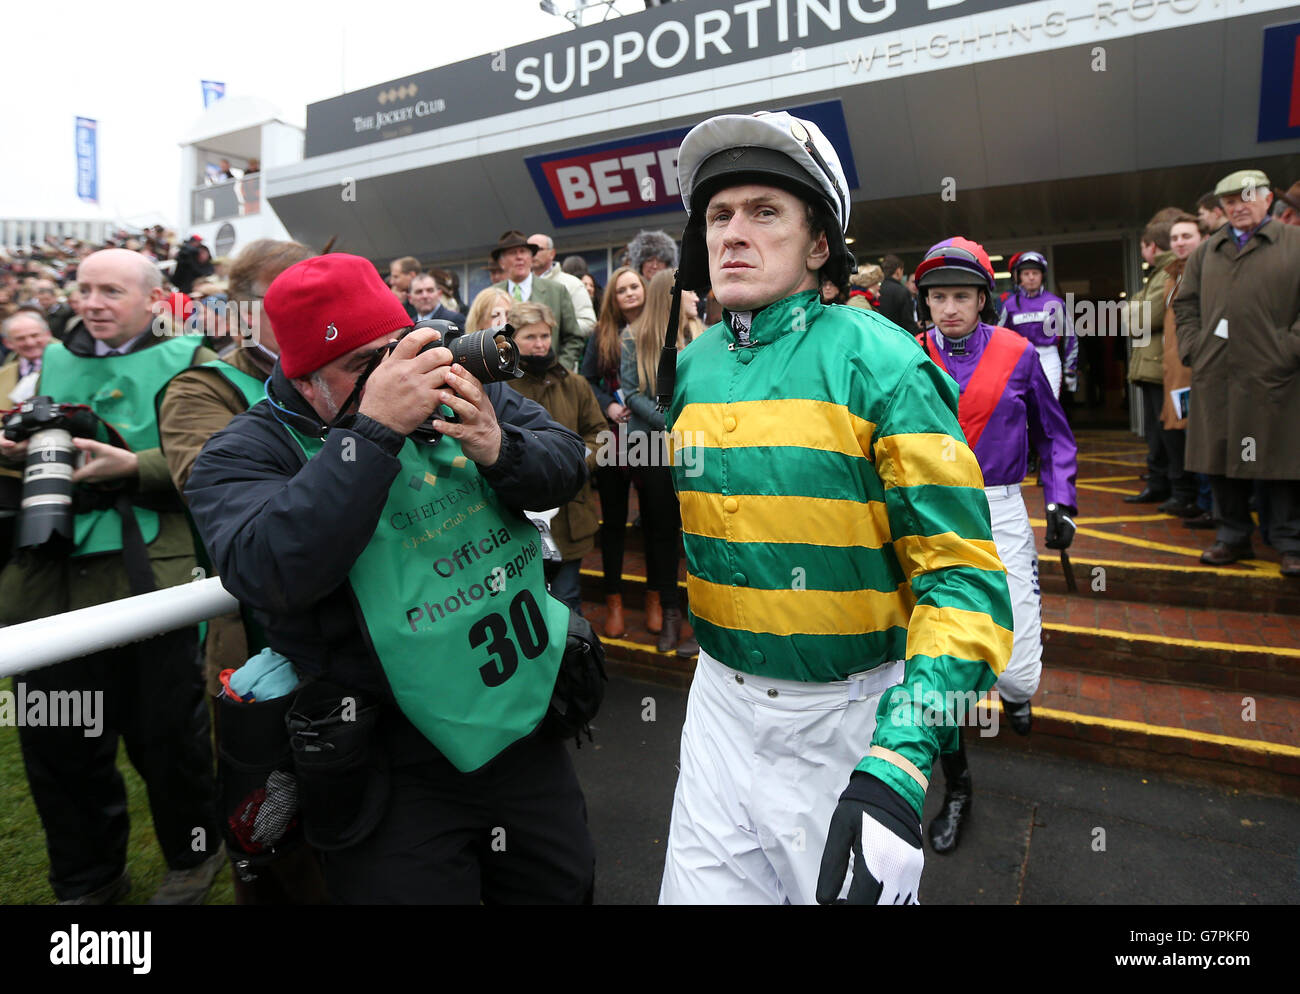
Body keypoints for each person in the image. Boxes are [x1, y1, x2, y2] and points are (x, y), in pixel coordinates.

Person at [659, 111, 1013, 905]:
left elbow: (965, 584)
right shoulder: (695, 364)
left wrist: (901, 756)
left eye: (764, 212)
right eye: (720, 215)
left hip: (846, 723)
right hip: (716, 705)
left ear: (819, 246)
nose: (734, 234)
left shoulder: (886, 363)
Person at [184, 253, 596, 902]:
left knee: (561, 889)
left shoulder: (457, 382)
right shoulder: (244, 450)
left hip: (519, 723)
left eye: (396, 351)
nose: (395, 377)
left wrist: (498, 445)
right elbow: (269, 571)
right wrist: (371, 431)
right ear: (305, 378)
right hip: (385, 759)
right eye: (361, 367)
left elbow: (567, 465)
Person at [0, 248, 223, 905]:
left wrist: (131, 465)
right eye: (83, 288)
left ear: (155, 301)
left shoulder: (193, 360)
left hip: (145, 577)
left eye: (110, 291)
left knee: (166, 737)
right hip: (47, 577)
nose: (91, 302)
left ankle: (193, 853)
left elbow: (218, 461)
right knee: (56, 738)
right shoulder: (44, 362)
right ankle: (87, 876)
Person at [156, 238, 328, 905]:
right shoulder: (202, 388)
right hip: (259, 635)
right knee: (274, 826)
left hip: (363, 628)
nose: (315, 301)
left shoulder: (358, 367)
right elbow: (222, 495)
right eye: (293, 289)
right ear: (243, 308)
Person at [911, 237, 1078, 853]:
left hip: (1003, 508)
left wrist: (1060, 501)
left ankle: (1015, 693)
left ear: (985, 298)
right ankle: (957, 788)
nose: (949, 307)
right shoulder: (907, 355)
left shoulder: (1019, 353)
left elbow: (1055, 437)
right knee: (934, 656)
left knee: (1020, 661)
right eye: (937, 296)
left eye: (961, 295)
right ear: (925, 301)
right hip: (929, 512)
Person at [1173, 169, 1300, 577]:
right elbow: (1185, 305)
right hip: (1218, 372)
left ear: (1267, 199)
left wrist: (1288, 348)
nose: (1237, 206)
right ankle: (1232, 536)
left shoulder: (1293, 243)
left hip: (1275, 374)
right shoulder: (1207, 252)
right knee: (1222, 456)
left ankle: (1289, 542)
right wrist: (1195, 347)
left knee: (1280, 459)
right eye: (1228, 201)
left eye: (1246, 197)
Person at [506, 300, 606, 611]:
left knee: (567, 598)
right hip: (514, 516)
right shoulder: (498, 387)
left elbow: (600, 435)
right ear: (512, 340)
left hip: (568, 514)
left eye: (544, 336)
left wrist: (575, 463)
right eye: (530, 337)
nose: (540, 344)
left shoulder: (574, 384)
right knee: (523, 603)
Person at [621, 269, 700, 657]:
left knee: (701, 529)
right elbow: (630, 392)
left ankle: (703, 618)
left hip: (697, 445)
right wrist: (670, 422)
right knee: (660, 532)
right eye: (689, 292)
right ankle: (671, 613)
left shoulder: (705, 333)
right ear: (670, 296)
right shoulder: (633, 336)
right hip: (650, 445)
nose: (697, 297)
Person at [581, 266, 646, 638]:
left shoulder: (657, 328)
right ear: (614, 298)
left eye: (635, 286)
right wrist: (607, 405)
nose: (630, 293)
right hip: (612, 434)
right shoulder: (601, 333)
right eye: (622, 290)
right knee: (615, 520)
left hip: (650, 433)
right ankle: (614, 601)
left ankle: (657, 602)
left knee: (654, 518)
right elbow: (588, 378)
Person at [1122, 221, 1180, 507]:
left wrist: (1131, 311)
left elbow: (1141, 319)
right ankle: (1161, 484)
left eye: (1143, 247)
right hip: (1153, 365)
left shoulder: (1168, 273)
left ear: (1152, 247)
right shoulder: (1158, 274)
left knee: (1167, 433)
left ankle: (1175, 490)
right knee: (1158, 433)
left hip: (1161, 367)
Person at [1157, 215, 1206, 520]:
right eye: (1175, 238)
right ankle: (1189, 497)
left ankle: (1204, 502)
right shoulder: (1172, 275)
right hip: (1174, 370)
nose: (1180, 242)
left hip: (1197, 369)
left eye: (1187, 236)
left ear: (1201, 238)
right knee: (1180, 436)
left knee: (1199, 437)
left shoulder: (1207, 270)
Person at [491, 230, 584, 372]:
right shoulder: (491, 296)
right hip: (506, 380)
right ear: (502, 262)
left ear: (531, 257)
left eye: (523, 251)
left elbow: (573, 338)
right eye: (512, 253)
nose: (519, 257)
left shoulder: (557, 291)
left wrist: (560, 369)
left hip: (550, 379)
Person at [999, 251, 1078, 398]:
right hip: (1019, 359)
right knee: (1023, 408)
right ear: (1019, 277)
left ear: (1043, 276)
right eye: (1026, 273)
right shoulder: (1009, 305)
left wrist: (1070, 369)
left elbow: (1070, 337)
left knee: (1049, 406)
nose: (1031, 277)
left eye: (1035, 273)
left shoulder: (1056, 303)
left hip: (1049, 357)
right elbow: (998, 339)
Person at [527, 233, 596, 341]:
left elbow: (589, 323)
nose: (533, 254)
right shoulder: (519, 285)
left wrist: (556, 330)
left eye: (538, 249)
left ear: (552, 253)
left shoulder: (572, 284)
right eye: (529, 250)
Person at [877, 254, 918, 333]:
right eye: (902, 271)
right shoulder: (902, 291)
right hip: (899, 336)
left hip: (881, 334)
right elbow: (907, 323)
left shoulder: (878, 289)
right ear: (898, 271)